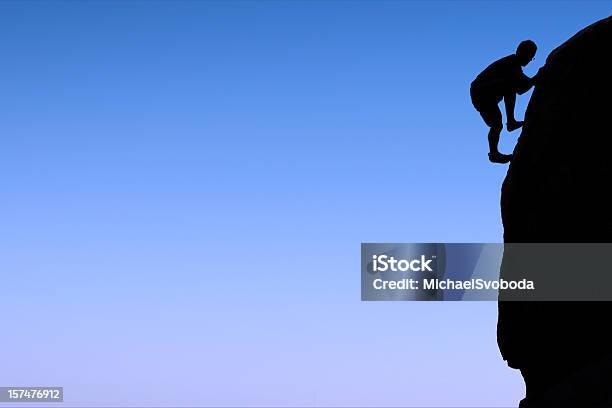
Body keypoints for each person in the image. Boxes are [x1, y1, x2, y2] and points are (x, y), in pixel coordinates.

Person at [471, 40, 540, 164]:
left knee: (497, 124)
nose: (530, 60)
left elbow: (522, 87)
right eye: (529, 56)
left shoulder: (514, 66)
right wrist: (538, 77)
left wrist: (536, 79)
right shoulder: (511, 64)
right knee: (509, 86)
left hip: (483, 94)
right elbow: (522, 88)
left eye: (532, 57)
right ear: (520, 52)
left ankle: (494, 153)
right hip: (480, 91)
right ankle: (511, 122)